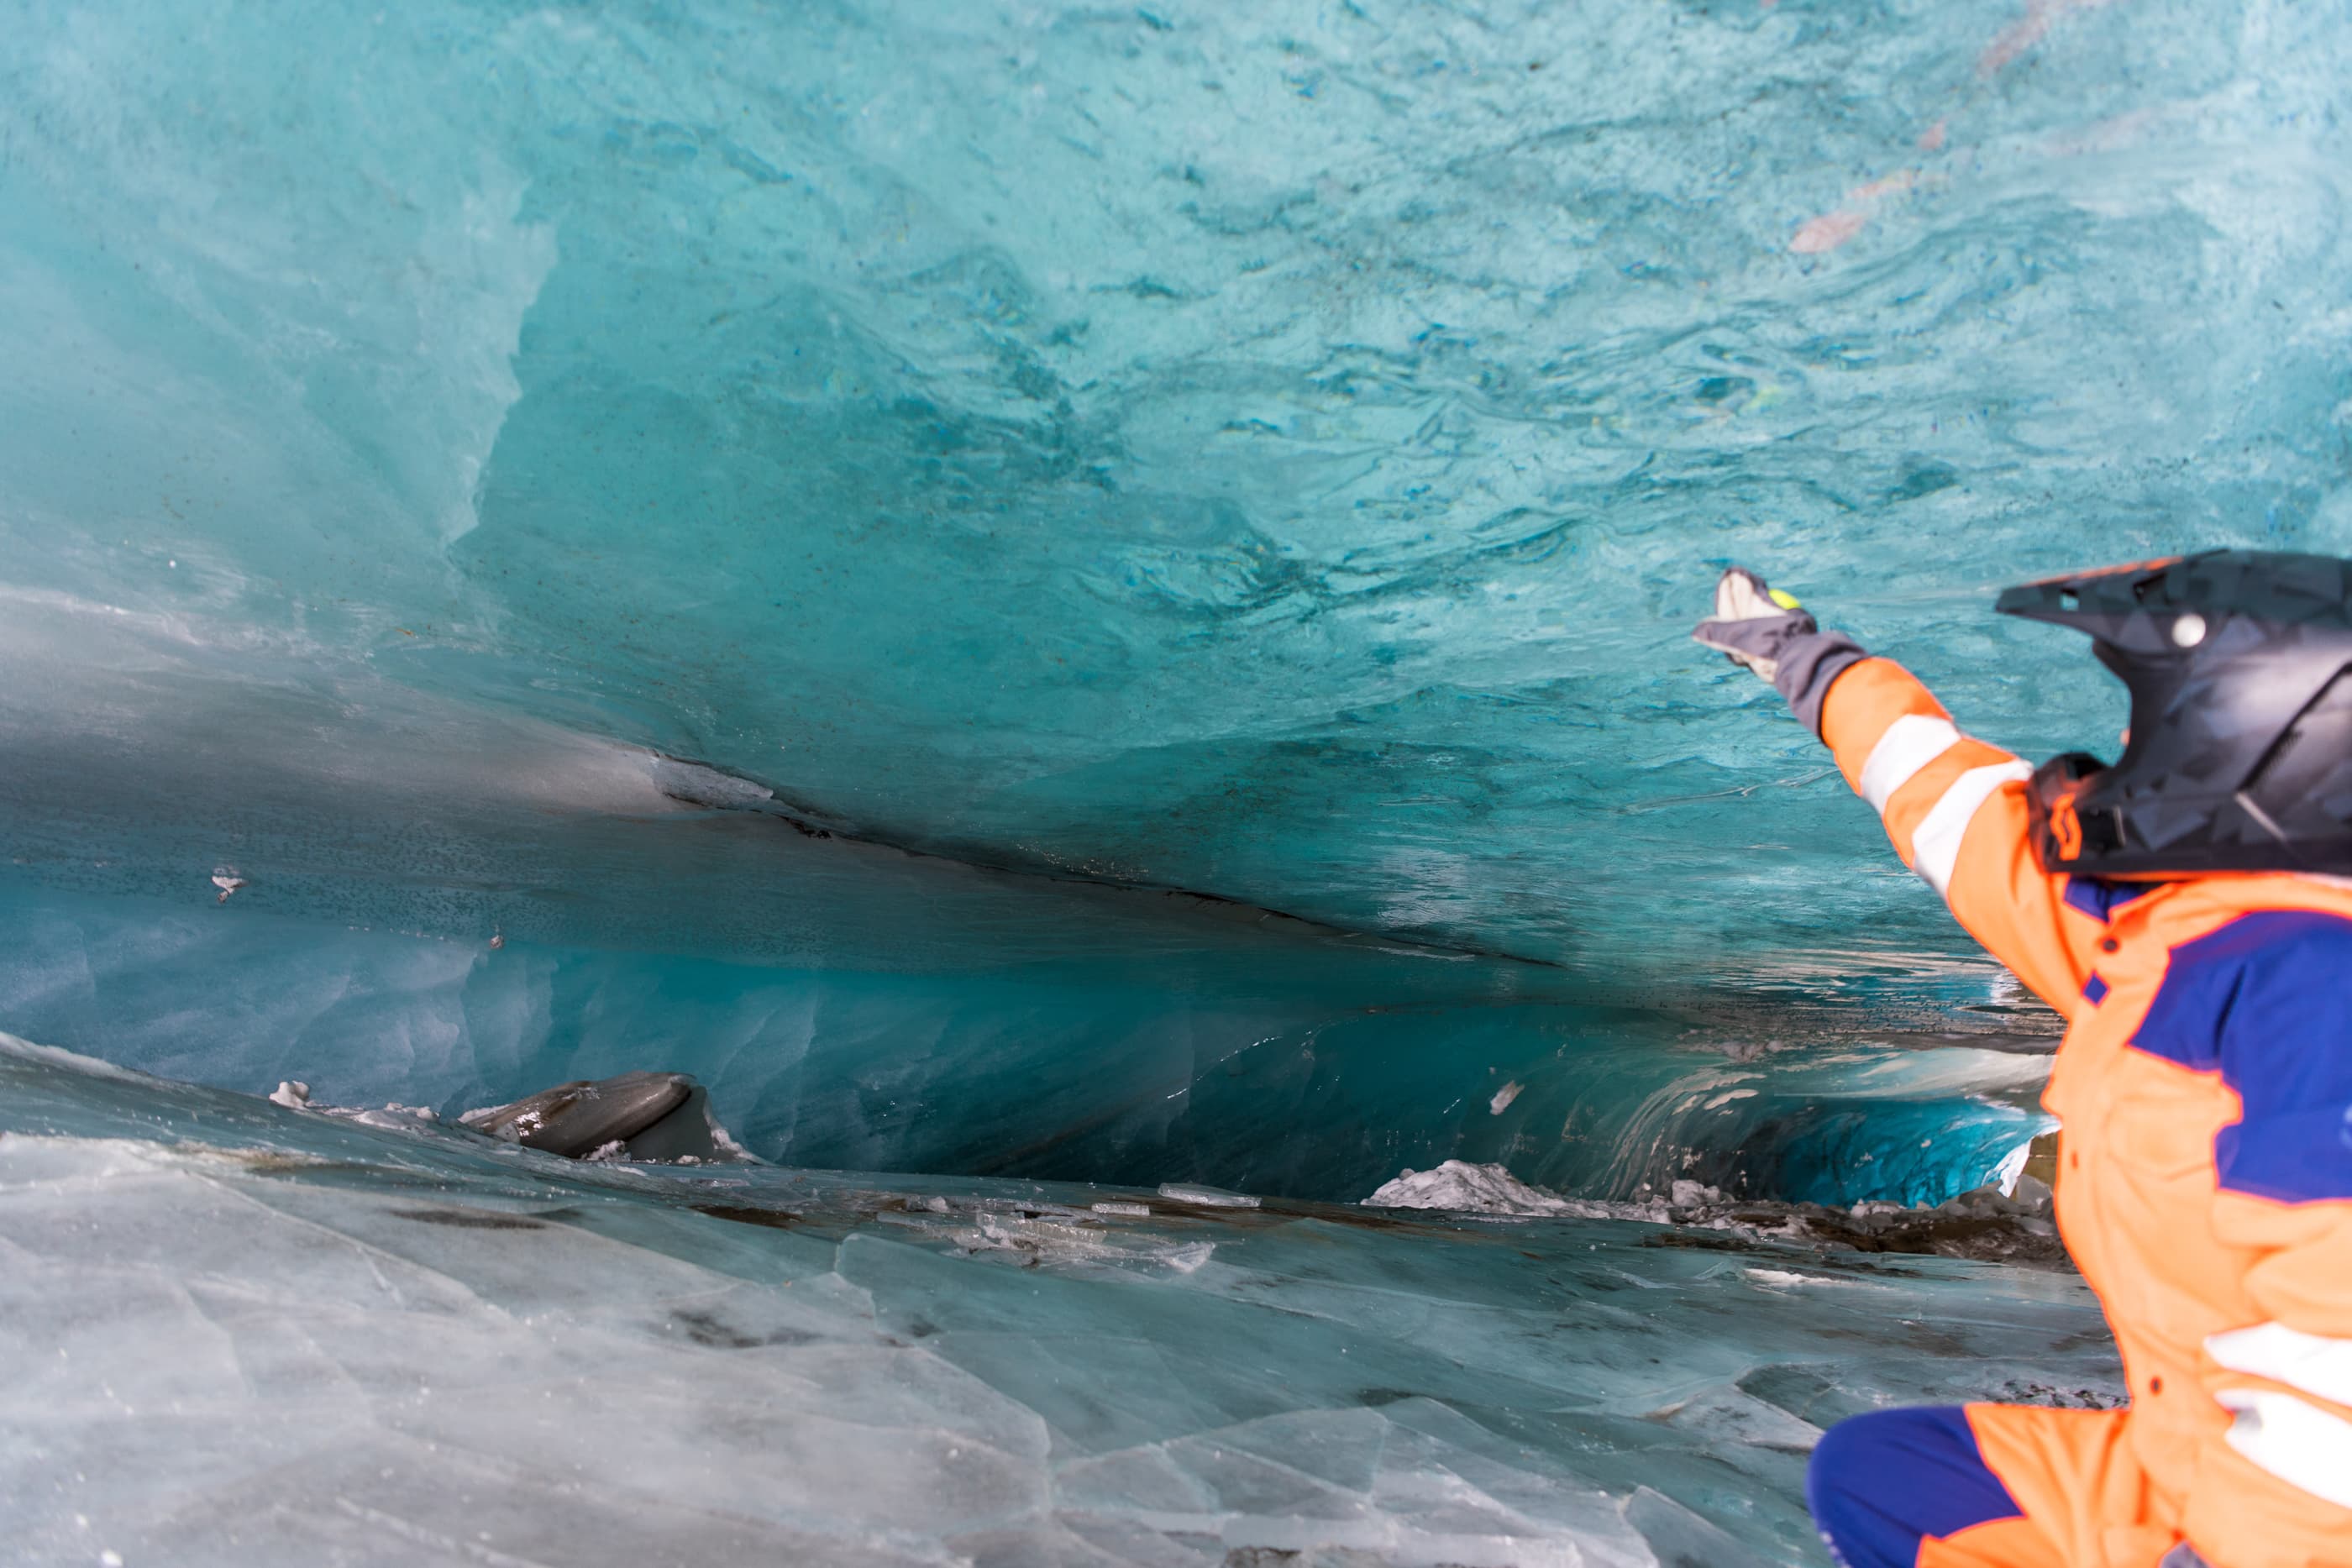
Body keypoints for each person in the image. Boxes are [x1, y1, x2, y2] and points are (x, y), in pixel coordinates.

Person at [1692, 551, 2352, 1568]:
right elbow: (1954, 807)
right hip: (2197, 1464)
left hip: (2288, 1523)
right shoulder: (2168, 931)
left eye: (2156, 724)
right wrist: (1806, 660)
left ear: (2259, 739)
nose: (2128, 750)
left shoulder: (2313, 989)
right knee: (1890, 1480)